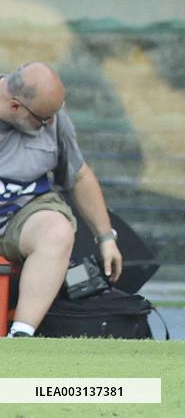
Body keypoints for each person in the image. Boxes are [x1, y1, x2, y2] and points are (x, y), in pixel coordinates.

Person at [0, 62, 123, 337]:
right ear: (16, 106)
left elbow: (78, 176)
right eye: (43, 119)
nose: (51, 123)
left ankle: (21, 335)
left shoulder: (54, 120)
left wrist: (106, 238)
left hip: (19, 219)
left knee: (56, 230)